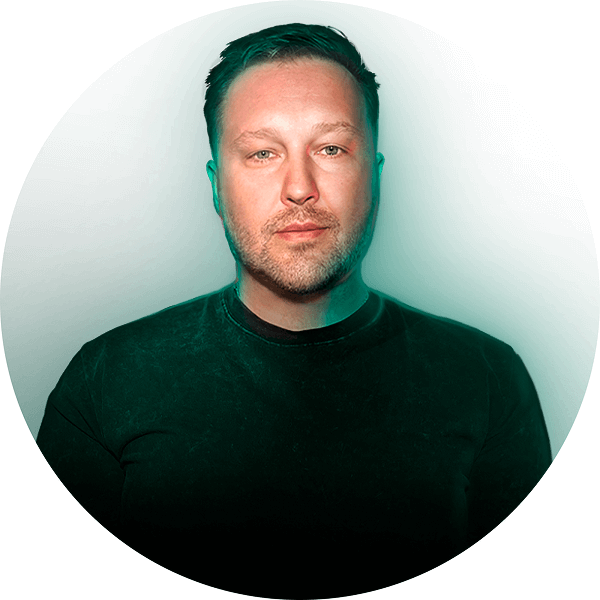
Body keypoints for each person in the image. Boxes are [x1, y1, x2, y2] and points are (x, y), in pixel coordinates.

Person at [35, 22, 552, 598]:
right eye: (262, 153)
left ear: (375, 176)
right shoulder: (107, 379)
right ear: (216, 186)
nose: (299, 187)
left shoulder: (486, 378)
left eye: (331, 149)